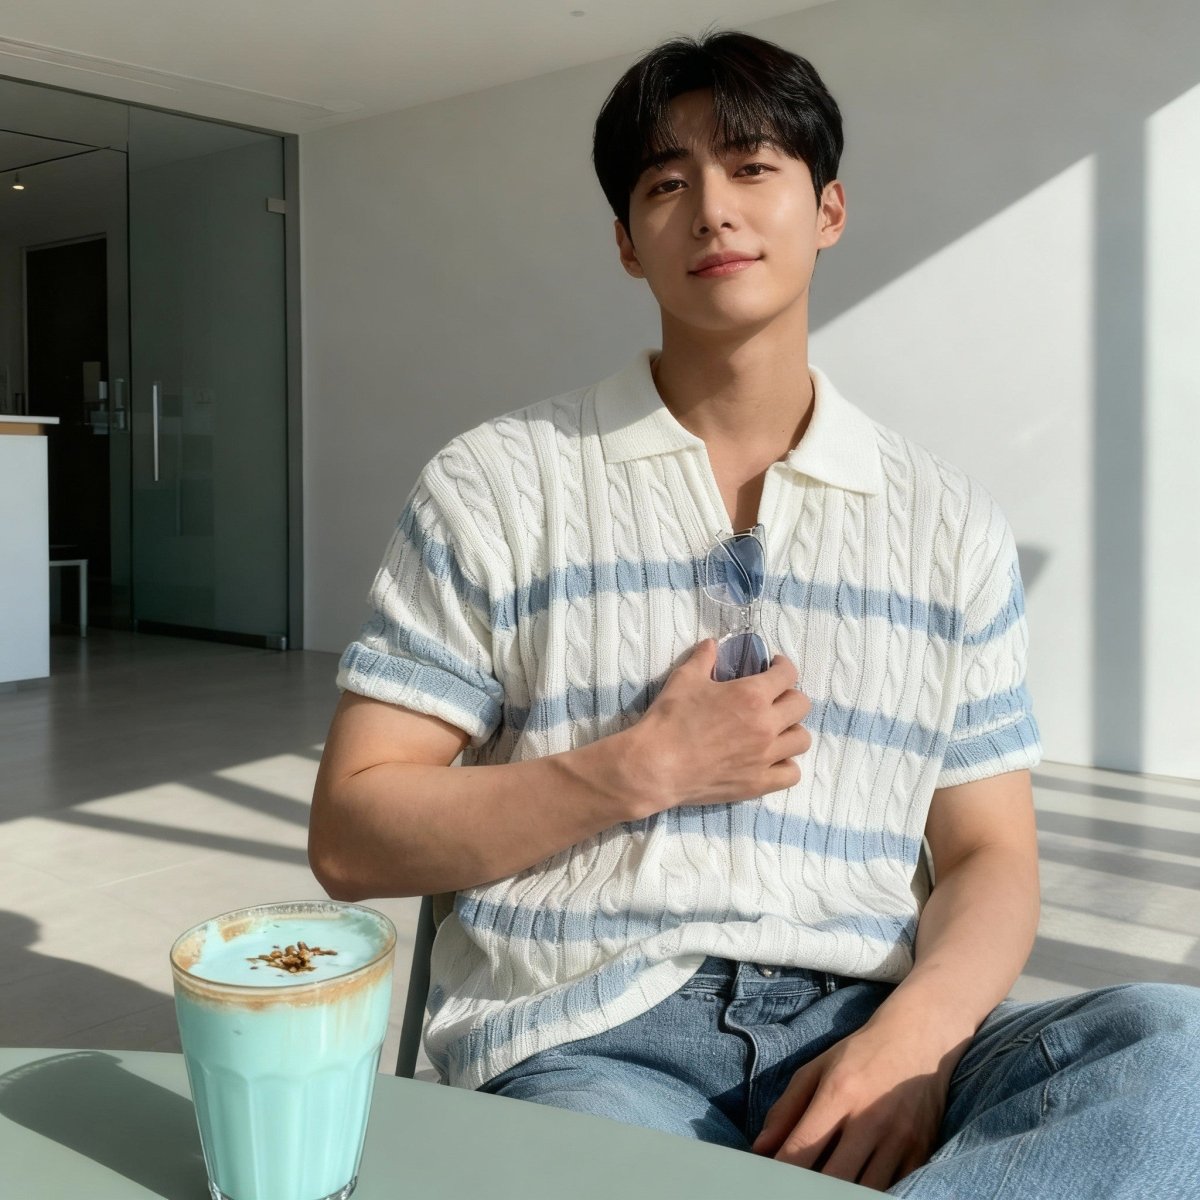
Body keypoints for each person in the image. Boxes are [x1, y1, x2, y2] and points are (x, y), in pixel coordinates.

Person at [309, 30, 1199, 1197]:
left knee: (1175, 1054)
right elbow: (352, 835)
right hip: (591, 1038)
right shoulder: (497, 486)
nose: (712, 210)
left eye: (751, 167)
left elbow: (990, 854)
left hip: (873, 1022)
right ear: (627, 242)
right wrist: (638, 770)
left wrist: (918, 1037)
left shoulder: (947, 525)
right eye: (666, 184)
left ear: (828, 209)